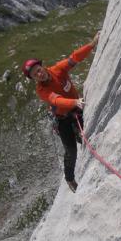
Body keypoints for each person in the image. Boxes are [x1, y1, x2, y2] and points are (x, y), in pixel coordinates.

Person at [22, 32, 99, 192]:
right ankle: (70, 179)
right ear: (34, 79)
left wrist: (91, 45)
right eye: (35, 74)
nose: (39, 74)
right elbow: (56, 100)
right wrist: (74, 102)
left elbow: (73, 58)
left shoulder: (57, 70)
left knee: (84, 136)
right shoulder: (41, 90)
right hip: (63, 118)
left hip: (77, 109)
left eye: (38, 70)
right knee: (71, 150)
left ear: (42, 67)